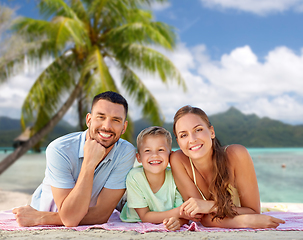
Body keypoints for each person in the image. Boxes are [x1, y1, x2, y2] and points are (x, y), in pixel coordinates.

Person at [13, 91, 136, 227]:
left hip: (50, 215)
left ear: (124, 127)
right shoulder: (60, 149)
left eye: (116, 120)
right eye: (101, 117)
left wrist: (42, 218)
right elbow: (71, 219)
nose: (107, 126)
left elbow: (101, 214)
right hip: (46, 207)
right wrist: (89, 163)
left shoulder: (125, 152)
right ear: (89, 120)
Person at [170, 105, 285, 229]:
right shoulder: (178, 160)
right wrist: (244, 222)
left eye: (198, 130)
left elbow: (253, 211)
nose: (192, 139)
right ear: (179, 143)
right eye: (183, 135)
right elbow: (201, 217)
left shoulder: (236, 155)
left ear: (212, 132)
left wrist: (209, 206)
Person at [120, 126, 189, 231]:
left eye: (161, 150)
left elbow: (184, 217)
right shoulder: (135, 177)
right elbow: (145, 217)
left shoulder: (175, 176)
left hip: (164, 214)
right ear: (139, 158)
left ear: (170, 155)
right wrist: (178, 212)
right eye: (147, 150)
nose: (155, 155)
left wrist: (177, 222)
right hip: (136, 214)